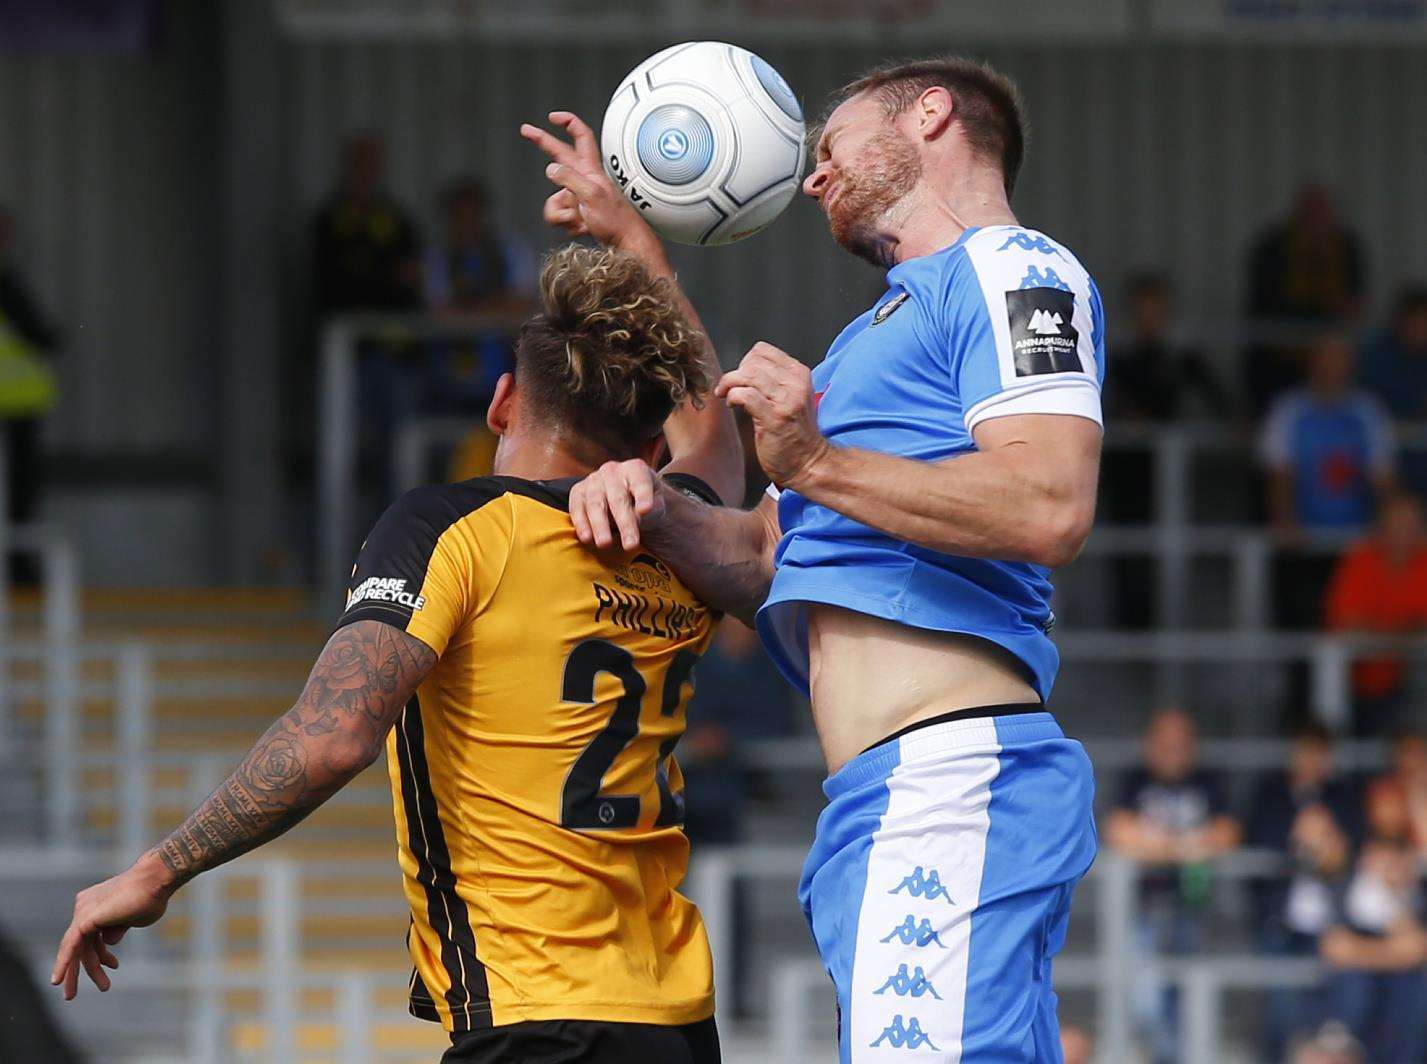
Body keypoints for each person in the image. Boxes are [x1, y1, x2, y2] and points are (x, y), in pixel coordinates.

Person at [49, 241, 745, 1064]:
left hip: (537, 1017)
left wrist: (156, 871)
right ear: (651, 447)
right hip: (675, 1022)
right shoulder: (685, 537)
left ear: (500, 402)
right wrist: (637, 247)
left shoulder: (447, 525)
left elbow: (334, 734)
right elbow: (716, 441)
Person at [537, 55, 1103, 1060]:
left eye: (828, 144)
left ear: (930, 115)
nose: (809, 176)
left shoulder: (1014, 267)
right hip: (890, 794)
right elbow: (765, 553)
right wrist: (653, 504)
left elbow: (1049, 500)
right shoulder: (869, 339)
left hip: (947, 784)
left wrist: (815, 458)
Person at [1104, 708, 1241, 1064]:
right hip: (1145, 909)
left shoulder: (1208, 781)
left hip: (1195, 908)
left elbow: (1229, 832)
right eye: (1166, 743)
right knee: (1145, 1004)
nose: (1173, 751)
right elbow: (1118, 831)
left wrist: (1161, 846)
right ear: (1149, 744)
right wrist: (1184, 847)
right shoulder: (1134, 780)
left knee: (1190, 1003)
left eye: (1181, 744)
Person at [1102, 271, 1227, 626]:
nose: (1152, 316)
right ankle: (1127, 623)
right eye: (1145, 308)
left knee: (1168, 548)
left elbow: (1221, 401)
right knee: (1127, 548)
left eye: (1159, 309)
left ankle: (1166, 618)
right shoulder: (1116, 358)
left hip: (1169, 473)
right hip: (1126, 469)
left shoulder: (1181, 358)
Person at [1261, 333, 1396, 632]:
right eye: (1325, 362)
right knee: (1302, 619)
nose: (1332, 370)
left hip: (1355, 539)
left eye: (1339, 363)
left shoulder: (1367, 411)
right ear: (1312, 365)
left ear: (1349, 368)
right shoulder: (1289, 409)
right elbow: (1280, 472)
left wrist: (1387, 524)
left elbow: (1382, 475)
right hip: (1304, 536)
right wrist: (1285, 518)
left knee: (1351, 620)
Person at [1245, 720, 1358, 1060]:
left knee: (1339, 1019)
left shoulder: (1343, 797)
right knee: (1283, 1015)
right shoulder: (1271, 796)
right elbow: (1258, 845)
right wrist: (1298, 837)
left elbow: (1354, 850)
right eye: (1305, 751)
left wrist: (1328, 844)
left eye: (1320, 753)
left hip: (1334, 925)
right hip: (1279, 923)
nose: (1312, 761)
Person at [1245, 183, 1365, 415]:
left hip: (1330, 342)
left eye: (1323, 213)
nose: (1317, 221)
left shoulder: (1347, 246)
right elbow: (1264, 303)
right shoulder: (1273, 246)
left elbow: (1355, 300)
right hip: (1280, 353)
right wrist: (1322, 306)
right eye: (1311, 213)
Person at [1324, 490, 1427, 734]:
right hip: (1359, 677)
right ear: (1381, 526)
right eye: (1397, 524)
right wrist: (1402, 633)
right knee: (1328, 655)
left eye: (1411, 524)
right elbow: (1343, 622)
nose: (1404, 532)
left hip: (1411, 676)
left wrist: (1388, 633)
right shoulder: (1360, 558)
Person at [1319, 835, 1427, 1063]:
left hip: (1403, 1012)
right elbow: (1338, 948)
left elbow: (1418, 948)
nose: (1387, 868)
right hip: (1358, 1013)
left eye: (1394, 861)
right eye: (1381, 860)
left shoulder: (1416, 895)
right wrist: (1396, 954)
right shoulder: (1343, 889)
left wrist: (1362, 952)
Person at [0, 206, 60, 584]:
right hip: (15, 402)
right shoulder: (5, 282)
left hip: (17, 401)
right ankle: (19, 573)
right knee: (19, 493)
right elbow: (40, 335)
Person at [1359, 286, 1427, 421]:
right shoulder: (1376, 356)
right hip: (1386, 432)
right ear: (1401, 321)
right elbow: (1368, 406)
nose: (1419, 328)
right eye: (1415, 320)